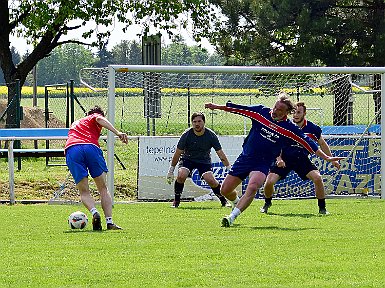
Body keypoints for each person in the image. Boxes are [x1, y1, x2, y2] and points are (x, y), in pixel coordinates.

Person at [205, 93, 343, 227]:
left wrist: (326, 157)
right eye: (275, 107)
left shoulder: (289, 128)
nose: (275, 111)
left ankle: (232, 217)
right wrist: (216, 107)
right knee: (225, 190)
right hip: (246, 158)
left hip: (263, 163)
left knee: (253, 186)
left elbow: (307, 142)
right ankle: (236, 202)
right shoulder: (261, 112)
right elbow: (239, 109)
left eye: (280, 110)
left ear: (286, 113)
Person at [261, 102, 340, 215]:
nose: (296, 115)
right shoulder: (285, 125)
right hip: (284, 159)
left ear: (304, 113)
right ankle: (267, 203)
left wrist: (333, 160)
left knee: (318, 178)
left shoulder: (313, 128)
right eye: (294, 112)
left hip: (301, 159)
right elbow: (275, 144)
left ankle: (322, 209)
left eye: (299, 112)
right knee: (269, 182)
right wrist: (278, 159)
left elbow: (322, 144)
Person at [65, 105, 128, 231]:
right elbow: (99, 119)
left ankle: (94, 212)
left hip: (72, 149)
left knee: (84, 191)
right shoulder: (94, 116)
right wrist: (117, 132)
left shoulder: (76, 123)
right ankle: (109, 222)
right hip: (90, 147)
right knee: (103, 189)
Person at [166, 112, 231, 208]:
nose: (197, 124)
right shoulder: (186, 135)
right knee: (181, 175)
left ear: (204, 122)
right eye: (194, 121)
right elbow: (178, 153)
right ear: (192, 123)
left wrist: (229, 169)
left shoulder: (211, 135)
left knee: (211, 180)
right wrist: (171, 170)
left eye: (199, 121)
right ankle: (176, 201)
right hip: (187, 159)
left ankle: (223, 201)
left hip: (204, 161)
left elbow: (220, 153)